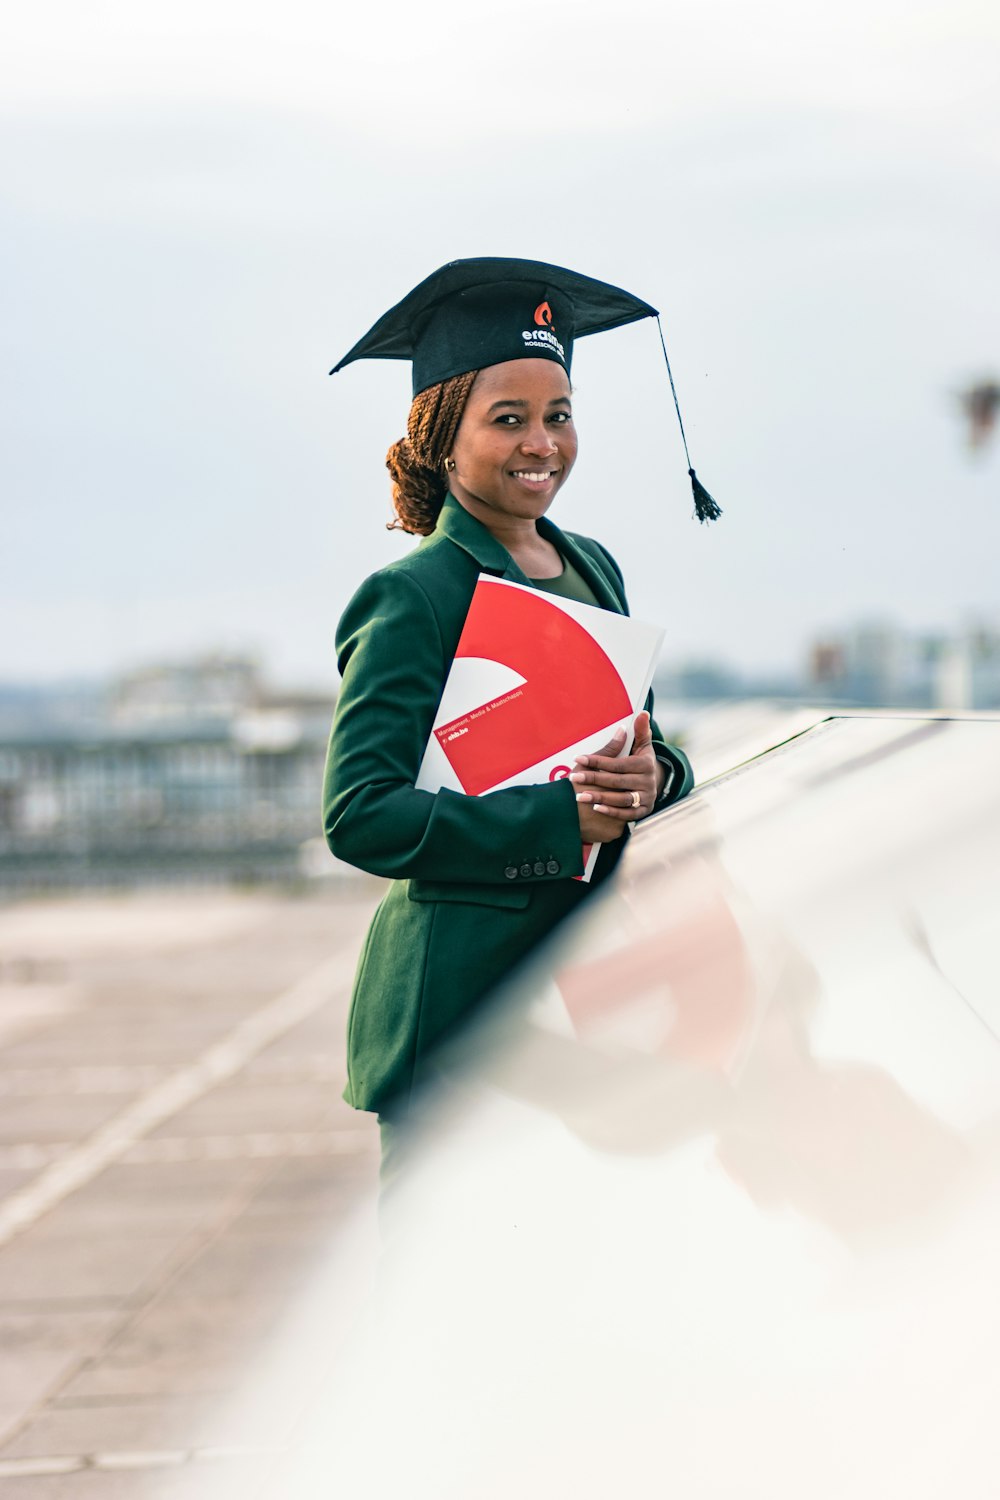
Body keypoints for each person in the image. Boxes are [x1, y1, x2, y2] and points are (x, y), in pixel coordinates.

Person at [323, 258, 697, 1159]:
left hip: (590, 1010)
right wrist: (558, 822)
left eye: (559, 416)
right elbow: (359, 816)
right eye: (509, 419)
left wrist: (659, 775)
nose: (543, 443)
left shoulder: (594, 565)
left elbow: (635, 738)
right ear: (445, 437)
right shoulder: (415, 595)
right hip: (460, 1016)